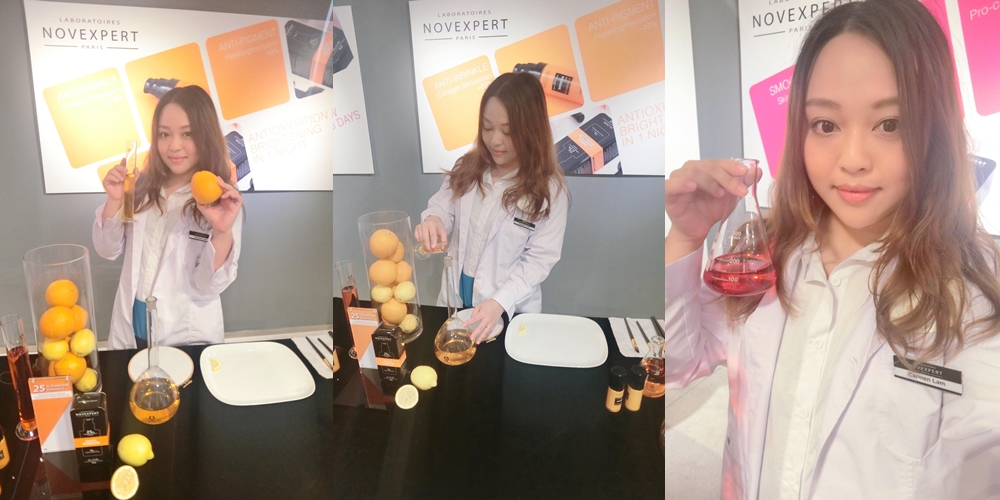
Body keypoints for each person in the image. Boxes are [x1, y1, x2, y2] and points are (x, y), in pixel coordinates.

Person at [664, 1, 1000, 498]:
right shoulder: (767, 254)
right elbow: (675, 365)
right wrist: (686, 237)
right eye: (826, 125)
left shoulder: (975, 295)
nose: (853, 159)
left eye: (890, 124)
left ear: (933, 129)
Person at [415, 72, 570, 343]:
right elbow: (442, 206)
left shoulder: (550, 191)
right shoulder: (468, 167)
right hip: (457, 298)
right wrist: (434, 219)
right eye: (487, 128)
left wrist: (500, 301)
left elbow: (539, 260)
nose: (495, 140)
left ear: (532, 131)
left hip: (509, 309)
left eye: (508, 132)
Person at [94, 85, 243, 349]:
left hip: (186, 333)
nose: (174, 146)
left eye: (187, 134)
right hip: (133, 325)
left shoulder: (222, 199)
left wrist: (221, 232)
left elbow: (209, 285)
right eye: (164, 134)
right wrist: (115, 200)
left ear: (206, 135)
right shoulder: (140, 188)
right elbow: (107, 250)